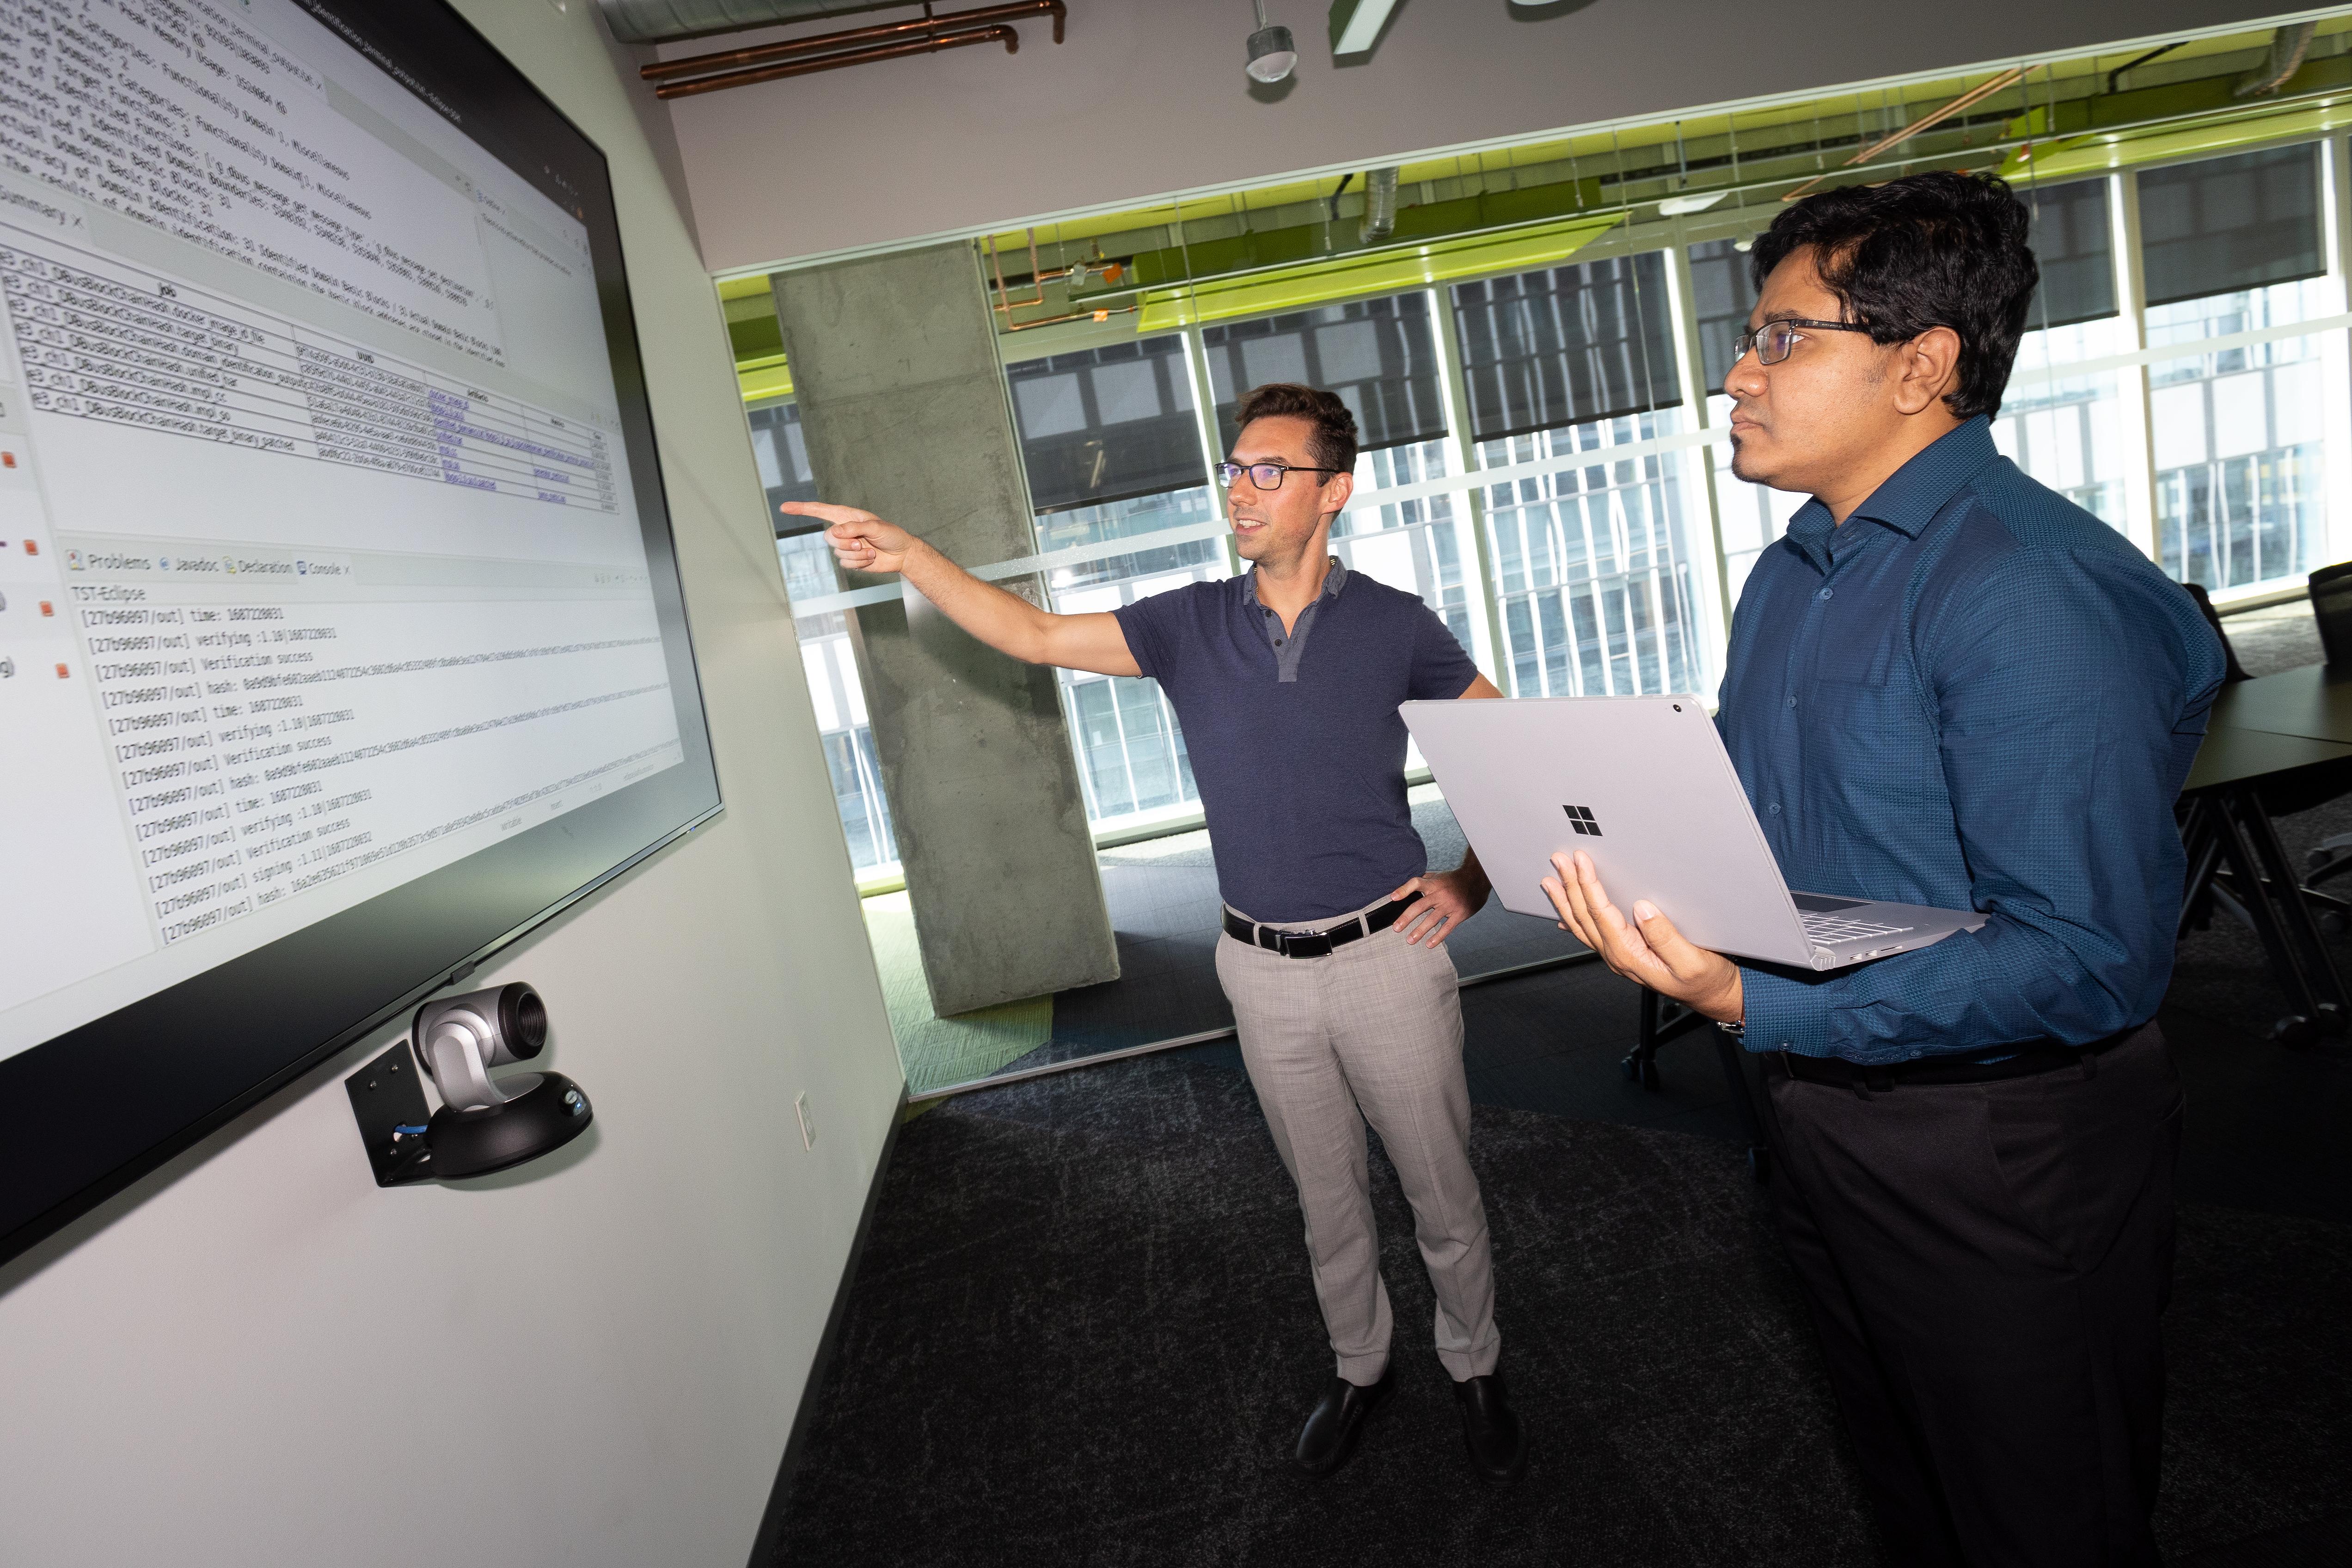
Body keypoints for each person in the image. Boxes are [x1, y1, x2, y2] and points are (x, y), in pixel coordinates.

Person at [1543, 172, 2222, 1565]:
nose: (1737, 373)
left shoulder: (2025, 590)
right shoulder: (1798, 569)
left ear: (1923, 367)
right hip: (1822, 1113)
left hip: (1999, 1146)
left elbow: (2089, 957)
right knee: (1910, 1479)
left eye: (1784, 339)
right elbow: (1783, 821)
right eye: (1750, 336)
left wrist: (1752, 1004)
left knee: (2043, 1517)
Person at [783, 383, 1527, 1484]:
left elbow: (1507, 750)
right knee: (1325, 1197)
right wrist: (913, 559)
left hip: (1389, 958)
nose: (1242, 488)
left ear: (1336, 491)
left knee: (1440, 1190)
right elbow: (1031, 633)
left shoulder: (1395, 626)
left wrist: (1471, 880)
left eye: (1269, 471)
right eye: (1233, 468)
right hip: (1259, 970)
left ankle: (1475, 1365)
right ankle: (1361, 1366)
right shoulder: (1187, 624)